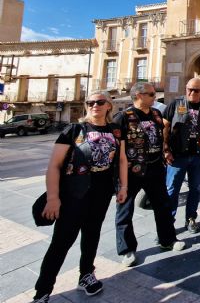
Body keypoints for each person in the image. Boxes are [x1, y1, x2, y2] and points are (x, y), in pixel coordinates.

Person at [32, 91, 127, 303]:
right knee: (62, 241)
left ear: (109, 106)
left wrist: (124, 187)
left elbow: (121, 160)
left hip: (101, 193)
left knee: (92, 235)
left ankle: (86, 275)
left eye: (100, 102)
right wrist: (53, 198)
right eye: (90, 102)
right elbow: (54, 165)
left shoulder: (116, 131)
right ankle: (43, 291)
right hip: (73, 193)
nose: (95, 105)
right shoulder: (73, 129)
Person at [114, 83, 185, 268]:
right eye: (151, 94)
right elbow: (116, 147)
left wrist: (166, 151)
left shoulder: (155, 114)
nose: (155, 97)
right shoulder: (123, 117)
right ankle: (127, 249)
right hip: (132, 170)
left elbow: (162, 136)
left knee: (162, 205)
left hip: (155, 167)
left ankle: (167, 239)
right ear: (138, 95)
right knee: (125, 210)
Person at [163, 78, 200, 234]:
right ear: (185, 88)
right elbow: (164, 126)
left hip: (198, 156)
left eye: (196, 90)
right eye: (190, 89)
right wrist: (165, 149)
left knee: (195, 188)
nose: (192, 93)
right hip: (177, 156)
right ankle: (168, 223)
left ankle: (191, 218)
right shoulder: (176, 104)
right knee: (172, 190)